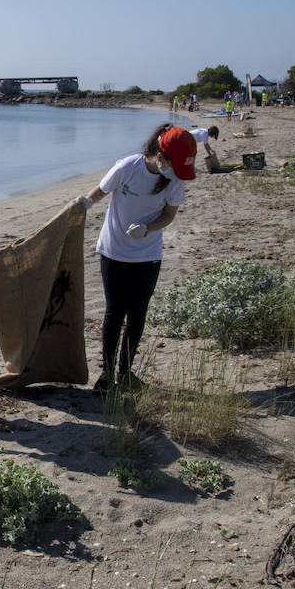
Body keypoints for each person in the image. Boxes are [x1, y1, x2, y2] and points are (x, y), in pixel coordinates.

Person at [82, 125, 196, 393]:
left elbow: (169, 214)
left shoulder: (175, 179)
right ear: (161, 154)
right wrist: (83, 205)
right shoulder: (128, 167)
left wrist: (148, 228)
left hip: (148, 255)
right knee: (114, 312)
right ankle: (107, 375)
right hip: (114, 252)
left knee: (137, 314)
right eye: (174, 164)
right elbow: (100, 191)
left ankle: (126, 372)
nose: (175, 171)